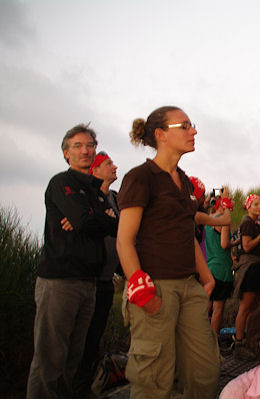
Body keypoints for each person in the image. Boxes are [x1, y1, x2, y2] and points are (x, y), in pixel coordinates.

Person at [116, 106, 219, 399]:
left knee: (206, 375)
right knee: (153, 381)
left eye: (192, 125)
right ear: (161, 135)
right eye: (184, 125)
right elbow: (125, 239)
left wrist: (206, 276)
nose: (193, 131)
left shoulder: (184, 181)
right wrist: (140, 288)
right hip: (155, 288)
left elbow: (186, 233)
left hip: (190, 288)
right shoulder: (141, 177)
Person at [27, 124, 118, 399]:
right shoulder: (61, 183)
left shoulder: (96, 192)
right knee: (49, 360)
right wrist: (93, 218)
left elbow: (114, 226)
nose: (85, 150)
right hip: (59, 281)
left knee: (73, 359)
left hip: (89, 283)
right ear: (66, 153)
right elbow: (89, 221)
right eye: (77, 146)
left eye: (90, 145)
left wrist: (90, 218)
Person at [75, 151, 121, 392]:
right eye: (108, 164)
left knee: (94, 339)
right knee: (80, 340)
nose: (114, 167)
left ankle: (87, 385)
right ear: (94, 170)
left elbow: (121, 231)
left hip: (107, 280)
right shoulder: (88, 198)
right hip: (88, 280)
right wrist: (108, 221)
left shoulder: (115, 198)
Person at [234, 194, 260, 349]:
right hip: (249, 268)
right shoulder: (248, 223)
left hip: (256, 267)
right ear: (248, 206)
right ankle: (240, 341)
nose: (259, 207)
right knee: (245, 306)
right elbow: (247, 246)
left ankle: (248, 339)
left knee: (253, 306)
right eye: (256, 204)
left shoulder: (254, 224)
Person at [204, 186, 235, 334]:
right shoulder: (223, 220)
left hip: (209, 267)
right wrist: (236, 242)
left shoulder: (208, 220)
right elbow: (224, 244)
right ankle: (213, 345)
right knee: (218, 309)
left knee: (206, 309)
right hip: (221, 268)